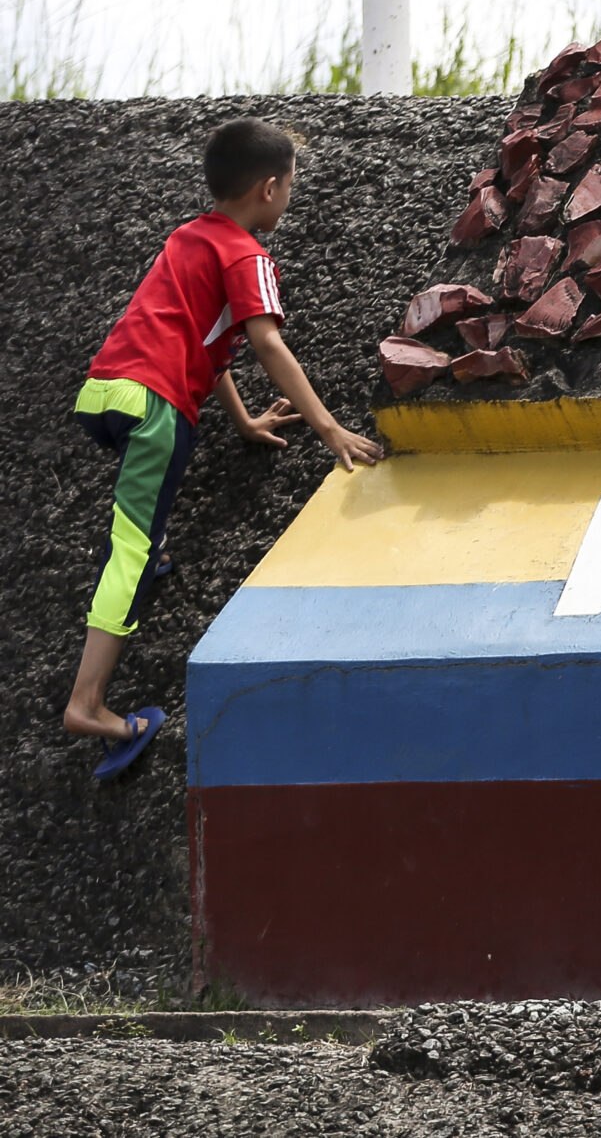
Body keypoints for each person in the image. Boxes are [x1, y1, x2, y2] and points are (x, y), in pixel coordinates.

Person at [64, 117, 382, 780]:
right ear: (269, 188)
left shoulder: (190, 237)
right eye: (291, 184)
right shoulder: (248, 255)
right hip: (154, 409)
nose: (290, 195)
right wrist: (331, 430)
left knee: (140, 531)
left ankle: (146, 555)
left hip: (107, 394)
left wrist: (241, 420)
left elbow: (210, 344)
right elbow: (265, 342)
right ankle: (89, 704)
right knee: (128, 548)